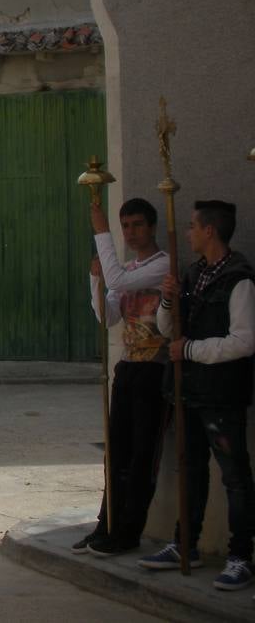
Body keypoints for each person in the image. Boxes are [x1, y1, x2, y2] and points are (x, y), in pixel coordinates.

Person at [140, 200, 255, 590]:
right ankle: (184, 543)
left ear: (210, 231)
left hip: (221, 395)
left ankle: (241, 556)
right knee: (190, 470)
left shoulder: (239, 279)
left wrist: (189, 350)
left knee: (235, 477)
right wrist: (169, 298)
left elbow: (243, 341)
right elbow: (165, 325)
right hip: (188, 391)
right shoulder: (193, 274)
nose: (187, 233)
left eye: (192, 226)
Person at [71, 198, 169, 556]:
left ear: (153, 227)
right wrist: (94, 279)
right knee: (116, 454)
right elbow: (109, 315)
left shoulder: (163, 266)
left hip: (155, 370)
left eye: (137, 225)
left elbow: (119, 280)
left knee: (142, 455)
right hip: (128, 367)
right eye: (125, 226)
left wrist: (101, 229)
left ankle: (128, 531)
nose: (131, 232)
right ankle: (105, 524)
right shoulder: (127, 269)